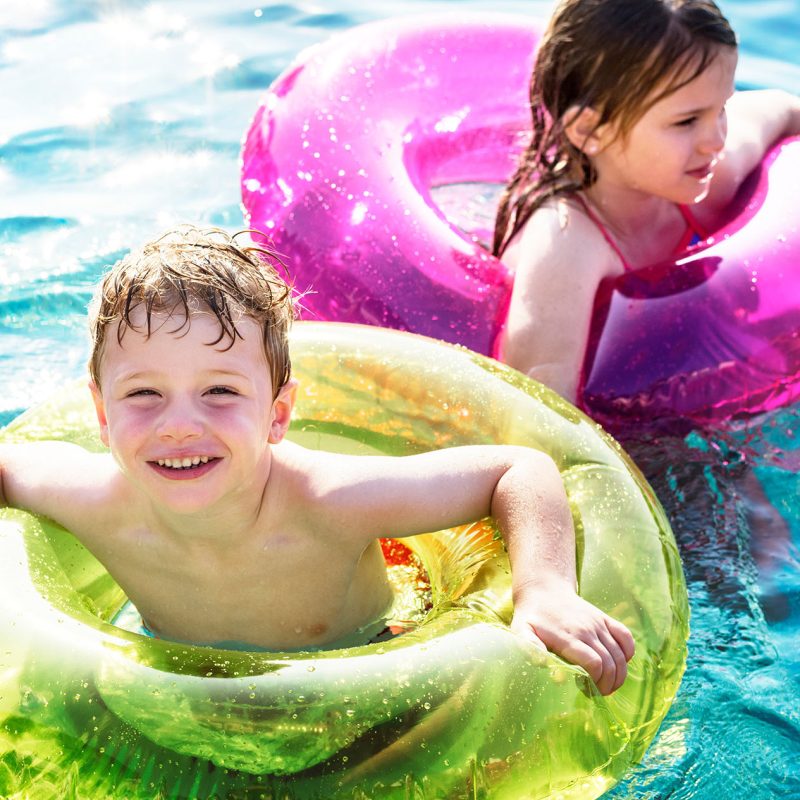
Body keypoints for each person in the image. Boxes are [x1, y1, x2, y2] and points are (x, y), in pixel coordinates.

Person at [0, 225, 633, 695]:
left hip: (372, 668)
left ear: (277, 414)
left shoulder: (329, 501)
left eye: (220, 391)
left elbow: (516, 470)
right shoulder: (91, 500)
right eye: (144, 394)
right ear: (102, 415)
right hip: (182, 686)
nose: (180, 426)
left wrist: (543, 589)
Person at [493, 0, 800, 402]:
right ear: (589, 129)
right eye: (686, 121)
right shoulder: (565, 245)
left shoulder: (713, 172)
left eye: (721, 107)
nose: (716, 139)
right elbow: (536, 414)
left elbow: (786, 107)